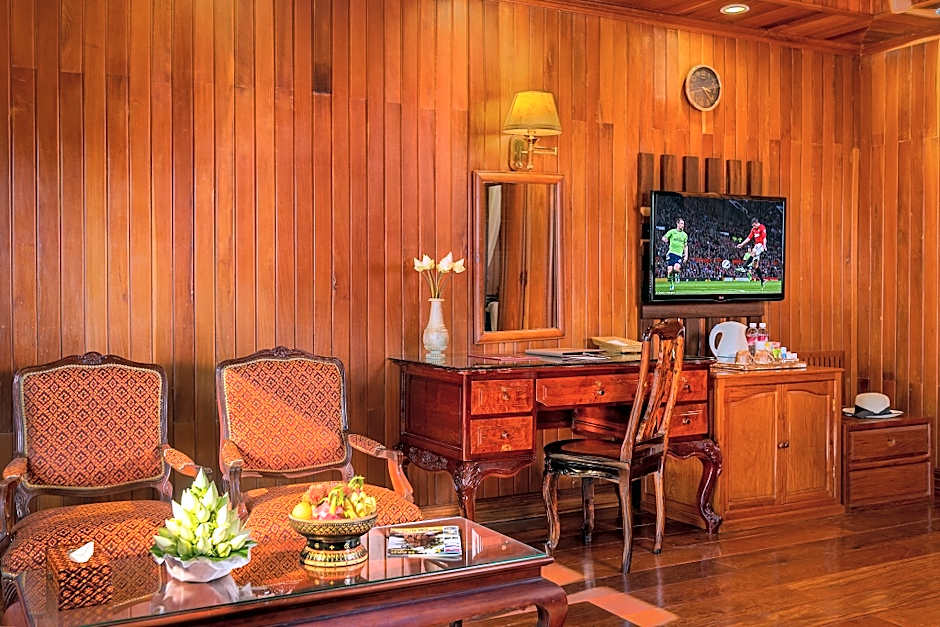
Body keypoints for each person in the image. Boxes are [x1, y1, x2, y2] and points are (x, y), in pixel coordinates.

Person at [736, 217, 767, 287]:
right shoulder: (753, 229)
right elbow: (748, 238)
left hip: (761, 245)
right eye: (753, 226)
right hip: (757, 245)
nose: (753, 227)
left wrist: (764, 245)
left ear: (756, 223)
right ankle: (762, 280)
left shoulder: (762, 227)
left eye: (754, 225)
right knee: (755, 266)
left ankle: (744, 267)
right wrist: (742, 244)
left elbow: (764, 237)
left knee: (753, 252)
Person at [661, 218, 688, 292]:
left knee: (676, 269)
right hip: (671, 253)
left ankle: (677, 275)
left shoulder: (685, 235)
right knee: (669, 271)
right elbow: (664, 237)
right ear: (677, 224)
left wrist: (686, 255)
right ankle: (672, 284)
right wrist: (665, 239)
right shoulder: (672, 232)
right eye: (681, 223)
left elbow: (685, 246)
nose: (683, 225)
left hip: (679, 254)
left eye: (683, 224)